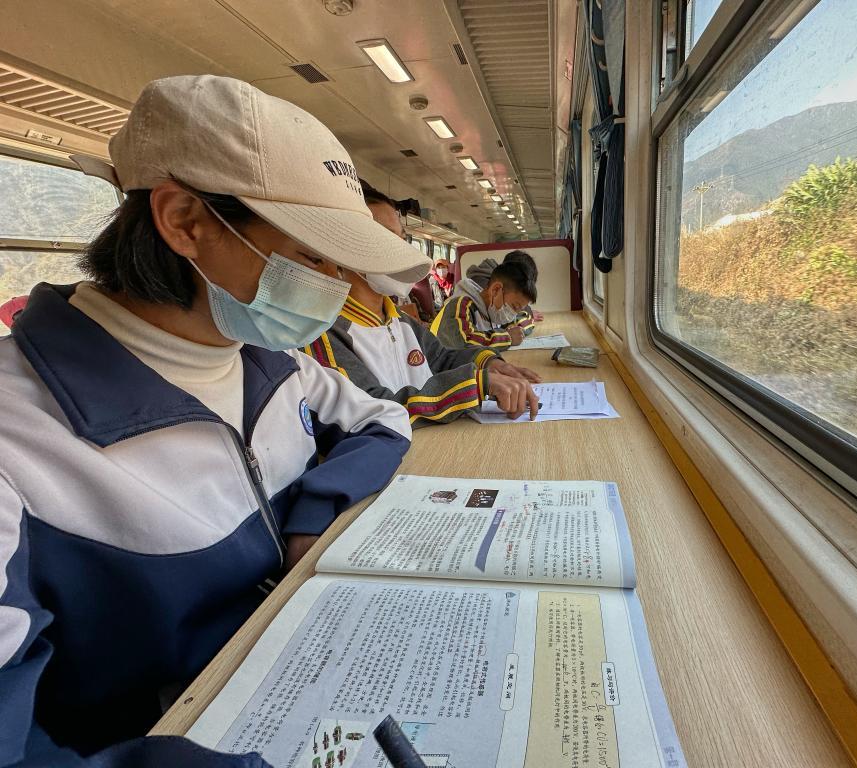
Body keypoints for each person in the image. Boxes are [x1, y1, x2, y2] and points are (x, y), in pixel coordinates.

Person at [0, 75, 431, 767]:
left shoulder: (270, 362)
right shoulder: (19, 436)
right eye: (312, 256)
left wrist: (314, 511)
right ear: (184, 221)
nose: (337, 286)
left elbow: (382, 420)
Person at [303, 184, 541, 424]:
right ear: (344, 247)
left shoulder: (401, 321)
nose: (401, 250)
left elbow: (442, 359)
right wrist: (476, 385)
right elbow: (374, 410)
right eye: (386, 237)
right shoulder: (325, 333)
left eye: (402, 239)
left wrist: (488, 362)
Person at [430, 257, 537, 351]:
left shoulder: (493, 309)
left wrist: (519, 331)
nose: (513, 315)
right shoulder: (461, 304)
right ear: (496, 290)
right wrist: (507, 337)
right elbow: (462, 341)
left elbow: (523, 317)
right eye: (514, 307)